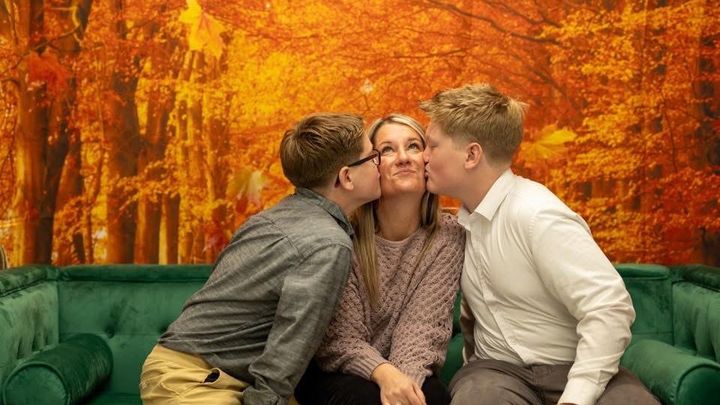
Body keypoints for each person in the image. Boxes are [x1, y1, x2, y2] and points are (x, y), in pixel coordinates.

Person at [419, 84, 660, 405]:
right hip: (496, 372)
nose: (423, 156)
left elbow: (609, 307)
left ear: (472, 155)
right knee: (479, 397)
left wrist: (576, 397)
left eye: (432, 145)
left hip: (574, 367)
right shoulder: (457, 227)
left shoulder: (538, 215)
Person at [139, 113, 382, 405]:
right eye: (373, 157)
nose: (380, 164)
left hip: (195, 372)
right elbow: (290, 347)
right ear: (346, 177)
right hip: (192, 382)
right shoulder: (328, 243)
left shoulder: (272, 218)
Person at [294, 114, 465, 405]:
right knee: (366, 398)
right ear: (371, 167)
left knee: (432, 397)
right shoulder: (341, 236)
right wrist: (385, 376)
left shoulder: (447, 236)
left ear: (426, 160)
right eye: (387, 150)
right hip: (335, 370)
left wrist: (403, 388)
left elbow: (421, 330)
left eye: (413, 146)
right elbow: (341, 339)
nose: (403, 158)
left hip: (406, 366)